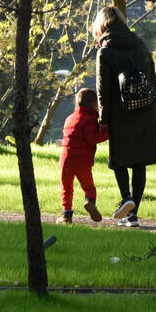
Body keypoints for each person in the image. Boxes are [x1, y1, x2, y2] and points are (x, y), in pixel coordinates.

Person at [94, 5, 156, 227]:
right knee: (139, 162)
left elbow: (103, 91)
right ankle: (133, 215)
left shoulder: (105, 52)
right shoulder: (139, 43)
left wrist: (104, 120)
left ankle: (126, 198)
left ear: (101, 26)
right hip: (145, 110)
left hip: (120, 114)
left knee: (119, 160)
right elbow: (152, 75)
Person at [57, 87, 111, 224]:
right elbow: (92, 138)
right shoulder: (89, 119)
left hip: (66, 160)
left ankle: (66, 215)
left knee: (66, 188)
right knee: (88, 187)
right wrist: (106, 131)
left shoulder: (69, 119)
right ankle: (89, 202)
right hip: (82, 162)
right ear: (93, 104)